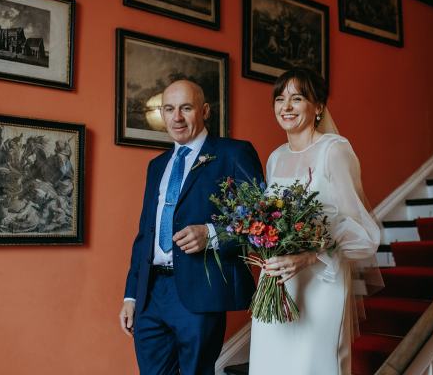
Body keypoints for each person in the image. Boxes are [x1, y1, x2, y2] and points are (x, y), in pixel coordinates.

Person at [119, 79, 263, 375]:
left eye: (186, 108)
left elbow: (259, 221)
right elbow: (145, 234)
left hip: (200, 291)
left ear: (205, 111)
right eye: (169, 109)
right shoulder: (157, 165)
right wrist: (131, 296)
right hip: (151, 295)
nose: (177, 117)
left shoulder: (233, 153)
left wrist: (211, 235)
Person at [248, 68, 380, 374]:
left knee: (312, 365)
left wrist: (308, 255)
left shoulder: (334, 151)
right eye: (280, 99)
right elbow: (274, 221)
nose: (287, 107)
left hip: (321, 281)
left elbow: (364, 233)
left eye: (298, 98)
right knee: (271, 363)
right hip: (277, 282)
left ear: (318, 106)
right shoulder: (275, 157)